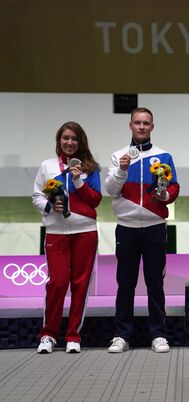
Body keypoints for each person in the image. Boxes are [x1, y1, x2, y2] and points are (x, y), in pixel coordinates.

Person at [105, 107, 180, 353]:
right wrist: (121, 171)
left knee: (155, 283)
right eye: (137, 123)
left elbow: (174, 187)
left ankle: (158, 335)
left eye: (146, 123)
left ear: (152, 126)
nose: (141, 127)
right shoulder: (118, 156)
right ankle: (121, 335)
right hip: (126, 228)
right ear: (130, 125)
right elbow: (111, 190)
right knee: (125, 283)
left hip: (155, 227)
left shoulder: (164, 156)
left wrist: (165, 194)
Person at [32, 121, 102, 354]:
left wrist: (78, 180)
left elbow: (95, 200)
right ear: (59, 141)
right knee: (57, 283)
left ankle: (73, 335)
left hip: (85, 232)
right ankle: (48, 335)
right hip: (56, 233)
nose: (70, 142)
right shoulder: (47, 166)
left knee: (80, 285)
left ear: (80, 141)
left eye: (74, 138)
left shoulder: (90, 167)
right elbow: (36, 197)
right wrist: (51, 206)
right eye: (66, 138)